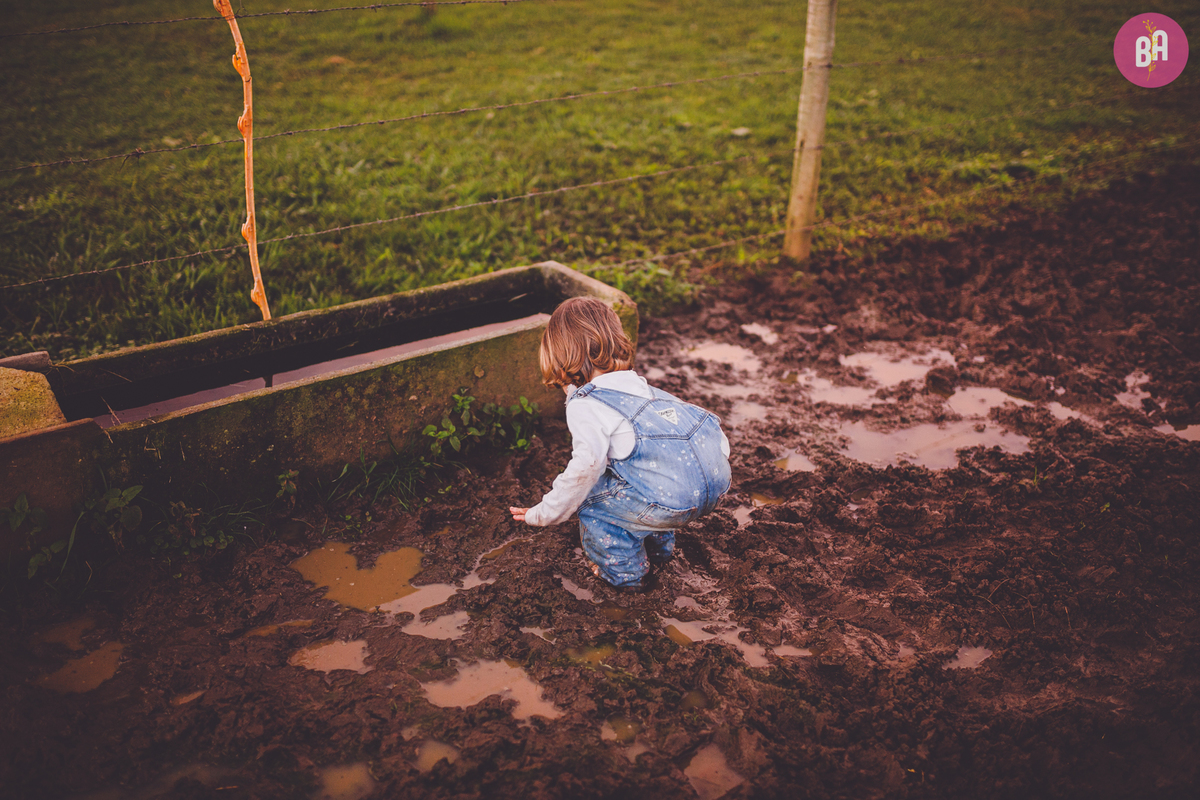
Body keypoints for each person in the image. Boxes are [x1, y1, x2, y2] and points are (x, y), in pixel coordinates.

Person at [510, 297, 731, 590]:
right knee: (640, 476)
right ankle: (659, 553)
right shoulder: (644, 389)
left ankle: (625, 577)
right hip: (713, 486)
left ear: (560, 356)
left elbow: (586, 468)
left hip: (667, 503)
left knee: (593, 503)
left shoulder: (586, 405)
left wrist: (545, 512)